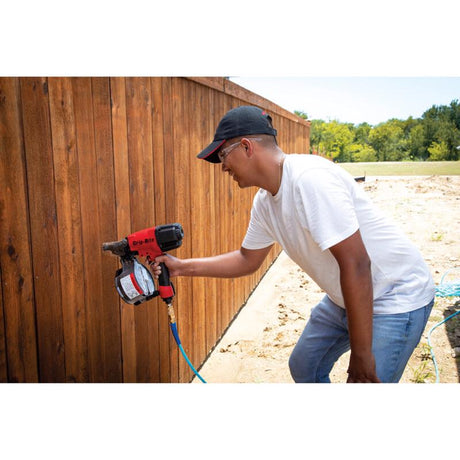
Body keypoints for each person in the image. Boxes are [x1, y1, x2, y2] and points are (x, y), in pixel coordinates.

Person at [152, 105, 435, 383]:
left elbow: (357, 263)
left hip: (395, 294)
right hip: (348, 294)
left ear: (247, 147)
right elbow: (247, 259)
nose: (223, 166)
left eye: (223, 155)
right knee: (305, 365)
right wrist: (180, 267)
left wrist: (361, 355)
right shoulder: (264, 203)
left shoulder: (309, 180)